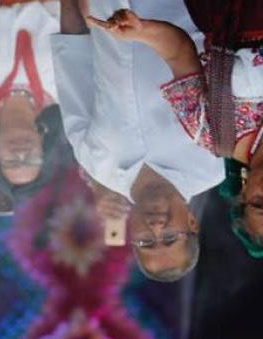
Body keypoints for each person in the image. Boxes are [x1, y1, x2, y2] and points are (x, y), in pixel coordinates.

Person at [52, 0, 223, 282]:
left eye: (146, 242)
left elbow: (72, 51)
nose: (156, 227)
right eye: (170, 238)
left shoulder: (96, 164)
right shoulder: (216, 162)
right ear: (193, 223)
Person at [88, 9, 263, 258]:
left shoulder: (212, 131)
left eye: (259, 203)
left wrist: (141, 30)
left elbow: (178, 50)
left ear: (242, 195)